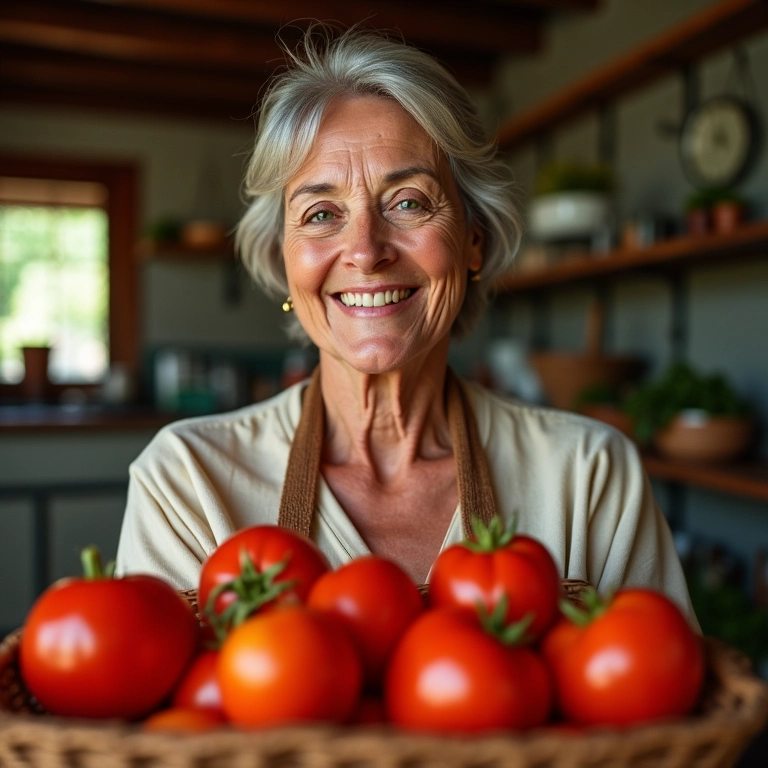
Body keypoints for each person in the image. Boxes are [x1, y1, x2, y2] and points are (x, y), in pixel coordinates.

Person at [115, 26, 698, 627]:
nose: (365, 251)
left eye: (409, 202)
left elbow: (661, 704)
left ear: (472, 240)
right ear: (284, 260)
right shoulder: (188, 481)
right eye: (321, 214)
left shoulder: (587, 474)